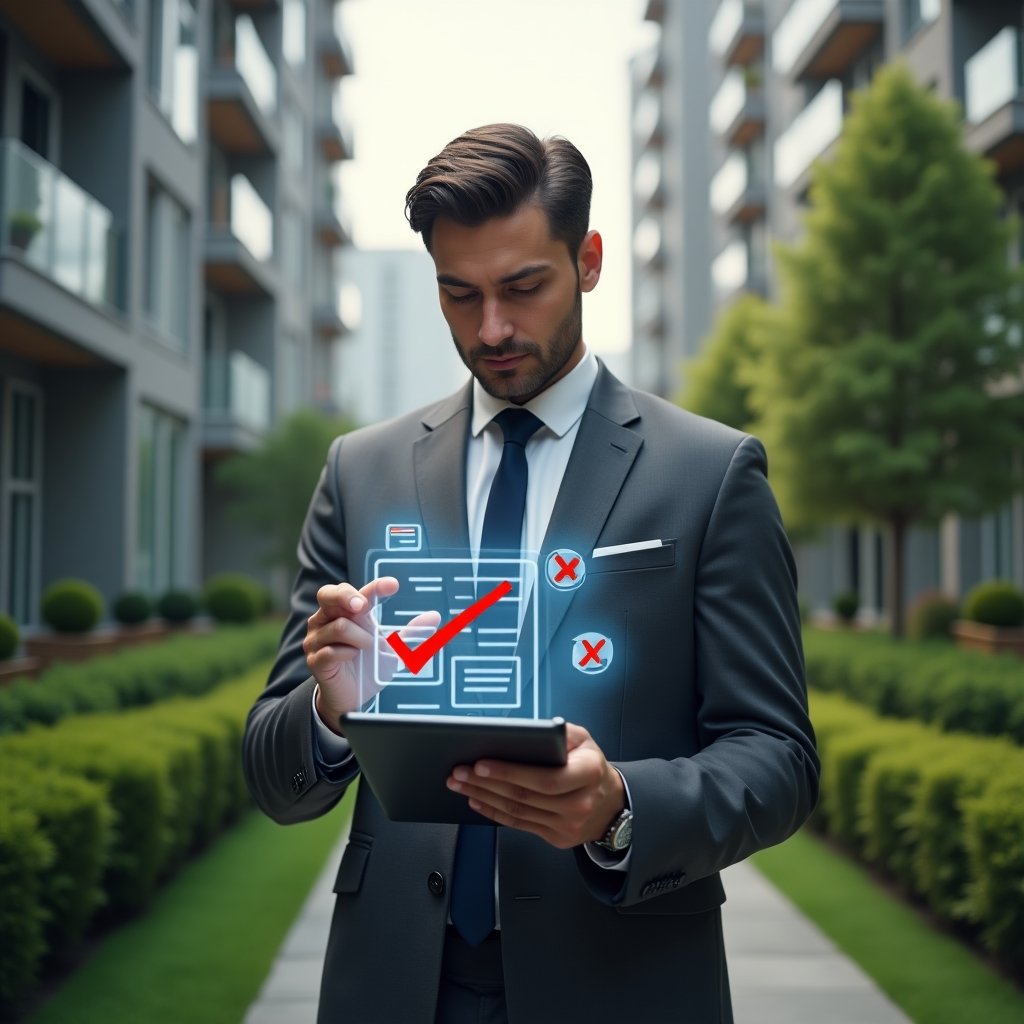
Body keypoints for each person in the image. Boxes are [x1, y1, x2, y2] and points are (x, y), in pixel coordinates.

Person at [243, 123, 819, 1024]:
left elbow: (778, 758)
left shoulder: (710, 474)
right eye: (458, 295)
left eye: (523, 287)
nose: (493, 328)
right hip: (392, 985)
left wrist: (621, 806)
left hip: (625, 982)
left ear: (587, 260)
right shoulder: (362, 471)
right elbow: (273, 775)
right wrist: (329, 712)